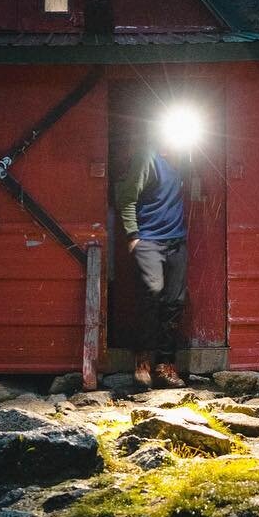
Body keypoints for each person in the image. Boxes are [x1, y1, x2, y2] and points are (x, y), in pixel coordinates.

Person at [115, 126, 188, 387]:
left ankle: (165, 365)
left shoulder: (181, 161)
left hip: (176, 241)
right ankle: (142, 362)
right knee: (150, 298)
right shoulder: (147, 157)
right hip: (149, 240)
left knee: (174, 302)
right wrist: (133, 236)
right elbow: (126, 196)